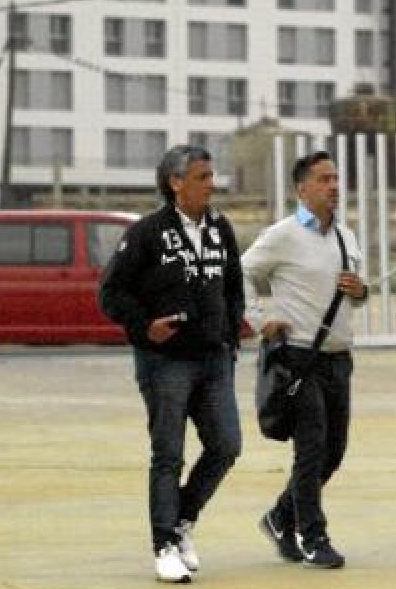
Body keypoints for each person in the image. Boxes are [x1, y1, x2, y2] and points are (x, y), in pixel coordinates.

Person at [99, 145, 244, 583]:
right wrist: (145, 326)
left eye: (211, 175)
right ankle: (164, 544)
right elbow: (111, 294)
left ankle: (181, 520)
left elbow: (233, 286)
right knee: (169, 455)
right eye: (201, 176)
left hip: (214, 358)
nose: (210, 184)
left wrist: (231, 332)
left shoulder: (221, 229)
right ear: (175, 182)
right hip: (165, 362)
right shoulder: (147, 232)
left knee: (226, 445)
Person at [241, 151, 368, 570]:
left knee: (334, 450)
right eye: (323, 179)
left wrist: (359, 290)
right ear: (302, 188)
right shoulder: (283, 235)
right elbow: (238, 273)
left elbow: (356, 291)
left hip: (338, 357)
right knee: (311, 449)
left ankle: (281, 516)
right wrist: (260, 319)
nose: (333, 186)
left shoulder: (346, 237)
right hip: (298, 357)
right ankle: (312, 536)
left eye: (335, 178)